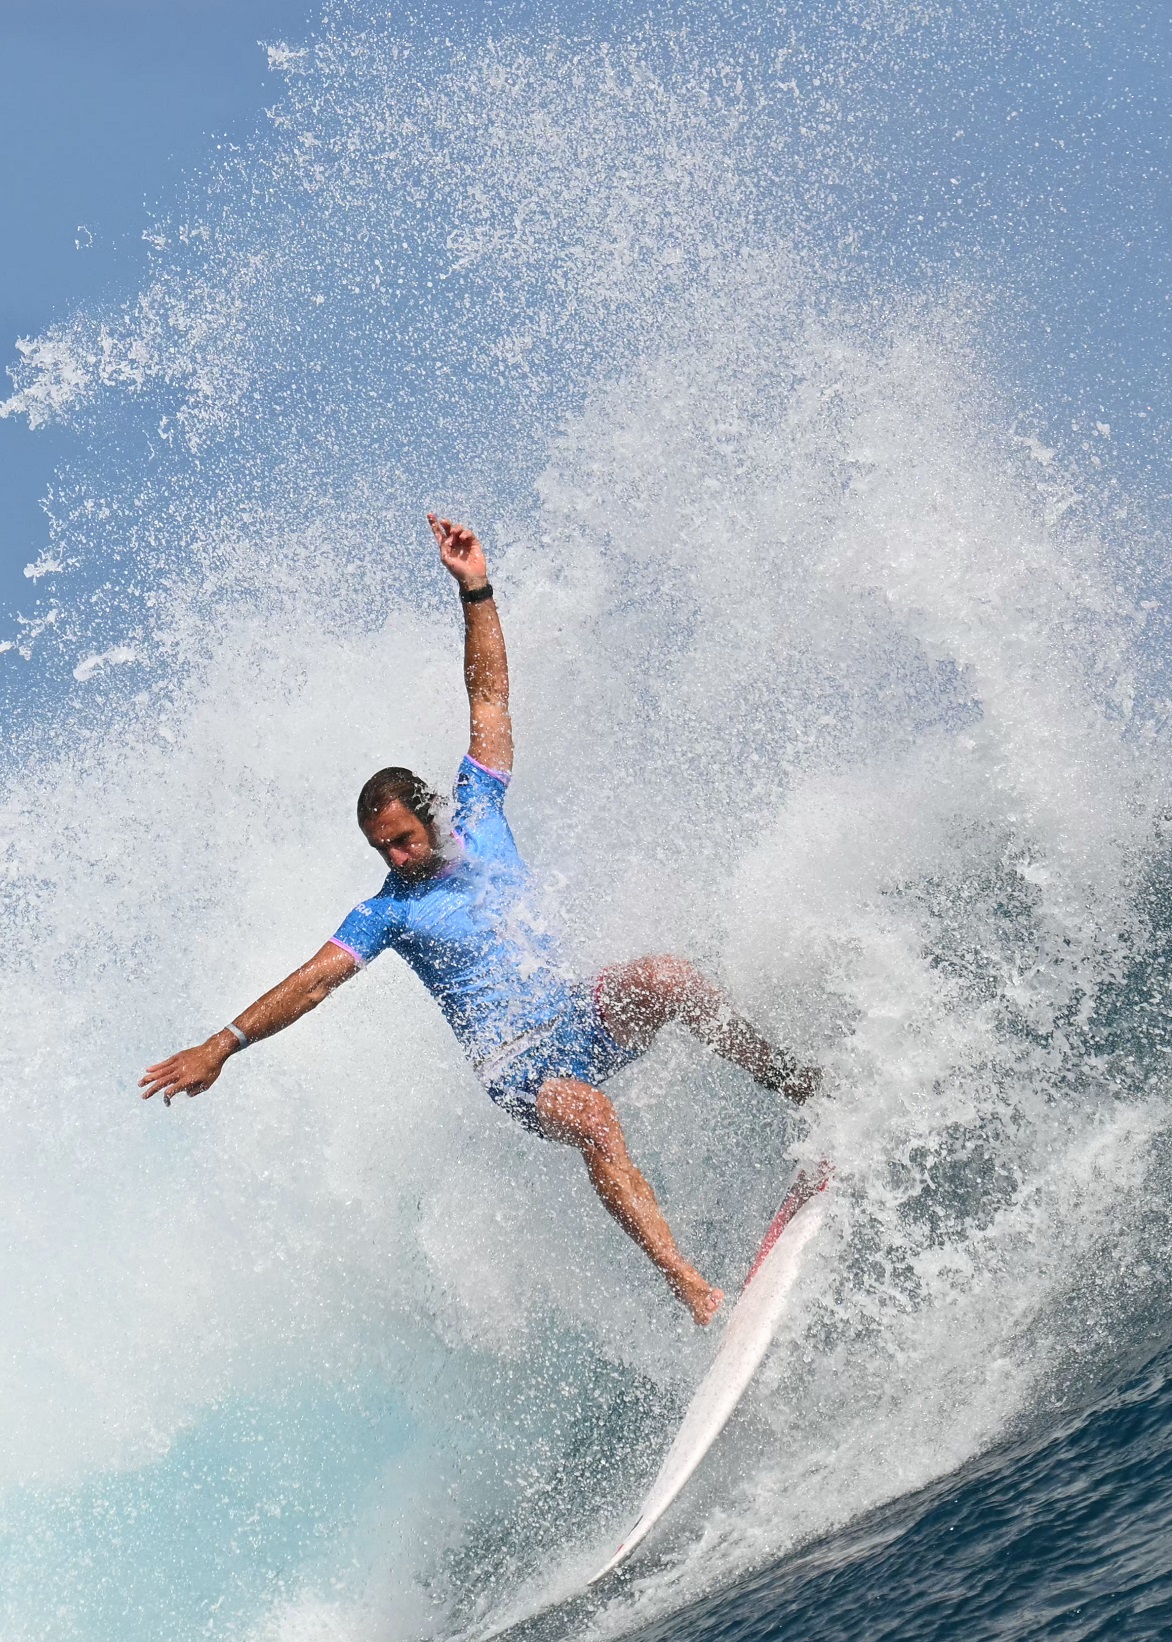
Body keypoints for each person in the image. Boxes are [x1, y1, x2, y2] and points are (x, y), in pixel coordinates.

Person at [138, 514, 819, 1325]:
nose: (393, 859)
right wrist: (222, 1046)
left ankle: (801, 1088)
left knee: (669, 976)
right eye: (378, 849)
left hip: (572, 1015)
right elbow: (315, 983)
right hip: (518, 1067)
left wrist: (475, 589)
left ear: (426, 814)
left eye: (400, 840)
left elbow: (488, 693)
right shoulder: (385, 914)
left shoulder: (480, 809)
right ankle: (695, 1290)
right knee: (597, 1118)